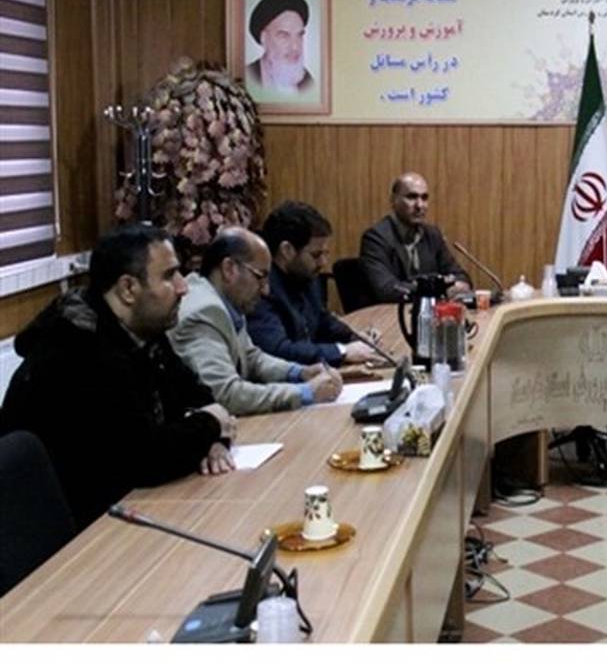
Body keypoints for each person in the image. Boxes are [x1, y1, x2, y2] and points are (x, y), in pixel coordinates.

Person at [0, 225, 235, 528]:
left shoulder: (143, 330)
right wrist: (211, 426)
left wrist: (211, 439)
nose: (183, 287)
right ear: (128, 289)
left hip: (125, 505)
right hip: (75, 530)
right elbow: (145, 458)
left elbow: (197, 396)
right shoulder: (77, 353)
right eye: (169, 276)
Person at [170, 228, 343, 416]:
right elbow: (225, 394)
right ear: (229, 269)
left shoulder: (226, 300)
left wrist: (300, 372)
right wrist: (305, 392)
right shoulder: (204, 311)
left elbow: (252, 358)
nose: (266, 290)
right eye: (260, 277)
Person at [247, 201, 374, 366]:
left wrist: (352, 336)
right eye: (316, 255)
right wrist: (341, 352)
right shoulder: (259, 286)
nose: (323, 263)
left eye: (325, 253)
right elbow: (277, 350)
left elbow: (322, 319)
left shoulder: (305, 274)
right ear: (287, 250)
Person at [359, 172, 471, 304]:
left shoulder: (433, 235)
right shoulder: (376, 238)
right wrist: (438, 288)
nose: (419, 205)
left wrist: (457, 284)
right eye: (412, 197)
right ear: (393, 200)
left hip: (428, 312)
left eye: (424, 198)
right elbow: (387, 289)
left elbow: (461, 276)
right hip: (390, 313)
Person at [245, 0, 314, 93]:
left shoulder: (308, 82)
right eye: (284, 36)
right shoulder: (248, 76)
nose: (295, 47)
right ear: (263, 38)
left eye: (299, 35)